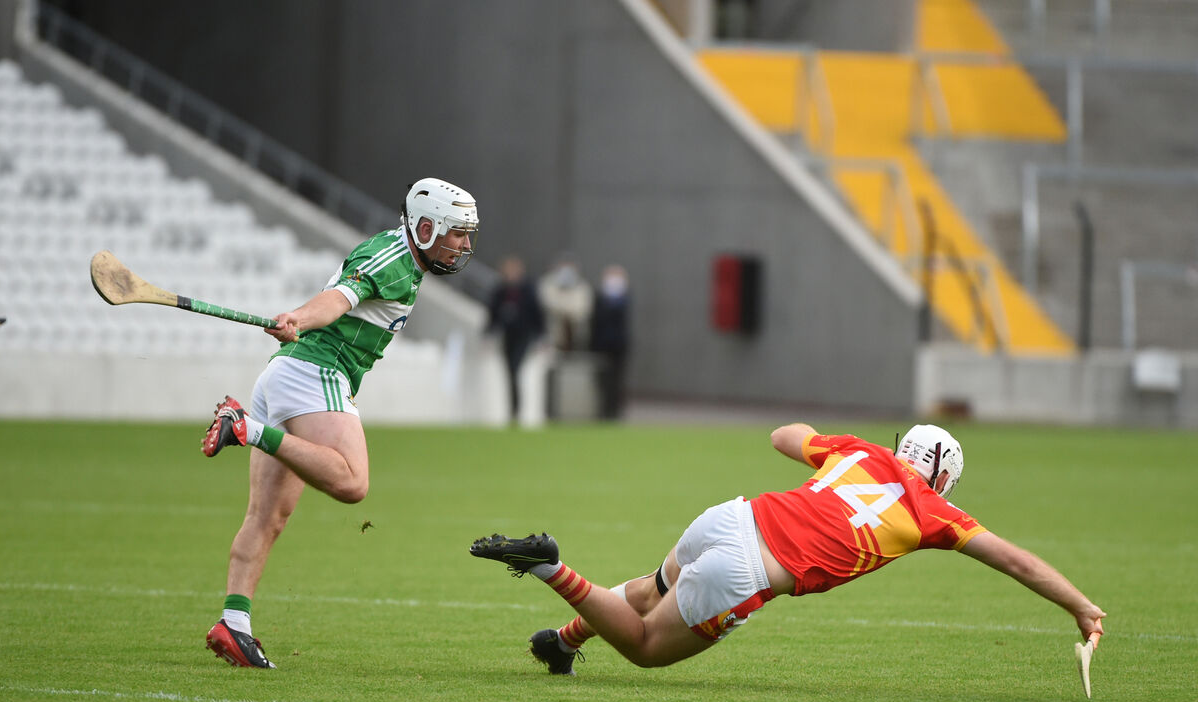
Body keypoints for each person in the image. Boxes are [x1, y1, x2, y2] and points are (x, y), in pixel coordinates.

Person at [470, 422, 1106, 677]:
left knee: (647, 591)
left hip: (731, 514)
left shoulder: (861, 452)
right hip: (750, 568)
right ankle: (549, 563)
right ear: (942, 479)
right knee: (643, 649)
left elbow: (783, 435)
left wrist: (820, 443)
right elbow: (1018, 561)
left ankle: (565, 643)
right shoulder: (936, 513)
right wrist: (1082, 607)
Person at [202, 177, 479, 669]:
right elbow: (341, 298)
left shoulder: (403, 259)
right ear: (427, 226)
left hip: (283, 376)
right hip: (315, 372)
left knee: (268, 518)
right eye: (458, 232)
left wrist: (299, 322)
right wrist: (302, 319)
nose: (465, 245)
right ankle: (246, 428)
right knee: (352, 482)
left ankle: (234, 623)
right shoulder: (392, 258)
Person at [485, 255, 545, 423]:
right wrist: (489, 335)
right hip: (508, 336)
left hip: (523, 336)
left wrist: (541, 337)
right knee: (510, 372)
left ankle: (516, 409)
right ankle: (513, 409)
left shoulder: (528, 290)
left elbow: (537, 315)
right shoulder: (500, 291)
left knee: (515, 369)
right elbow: (493, 315)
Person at [588, 264, 631, 420]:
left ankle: (615, 411)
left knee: (617, 380)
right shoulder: (599, 298)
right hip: (601, 345)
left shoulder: (624, 298)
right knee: (602, 380)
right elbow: (595, 322)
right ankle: (602, 411)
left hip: (619, 346)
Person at [537, 253, 593, 352]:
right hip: (551, 336)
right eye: (563, 266)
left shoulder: (582, 287)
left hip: (576, 338)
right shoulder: (548, 284)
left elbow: (582, 310)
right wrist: (567, 308)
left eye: (570, 266)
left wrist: (564, 309)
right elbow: (549, 303)